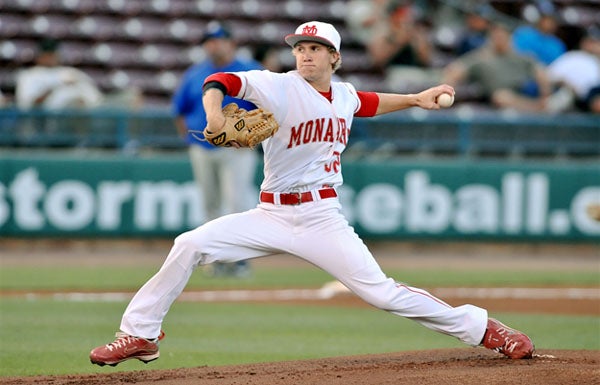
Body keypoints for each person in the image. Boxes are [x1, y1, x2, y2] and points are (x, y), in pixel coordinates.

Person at [90, 21, 534, 367]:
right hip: (269, 215)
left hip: (322, 217)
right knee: (188, 244)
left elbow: (368, 101)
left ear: (334, 57)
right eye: (299, 48)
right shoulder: (277, 85)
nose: (304, 54)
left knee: (381, 294)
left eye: (314, 48)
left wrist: (416, 98)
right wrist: (215, 116)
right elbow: (221, 80)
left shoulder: (342, 95)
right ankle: (141, 334)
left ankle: (482, 328)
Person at [172, 21, 262, 278]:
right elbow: (179, 111)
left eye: (218, 39)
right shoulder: (195, 73)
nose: (213, 45)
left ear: (231, 43)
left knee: (237, 203)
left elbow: (268, 107)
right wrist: (189, 139)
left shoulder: (249, 71)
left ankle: (240, 260)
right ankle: (218, 259)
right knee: (210, 205)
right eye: (209, 41)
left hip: (237, 149)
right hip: (202, 148)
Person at [443, 21, 554, 112]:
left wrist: (545, 95)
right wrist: (446, 92)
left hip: (523, 91)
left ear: (509, 37)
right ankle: (539, 110)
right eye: (496, 34)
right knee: (502, 97)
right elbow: (456, 69)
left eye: (502, 34)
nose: (499, 37)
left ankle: (543, 108)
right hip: (495, 99)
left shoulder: (521, 57)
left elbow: (540, 72)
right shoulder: (481, 57)